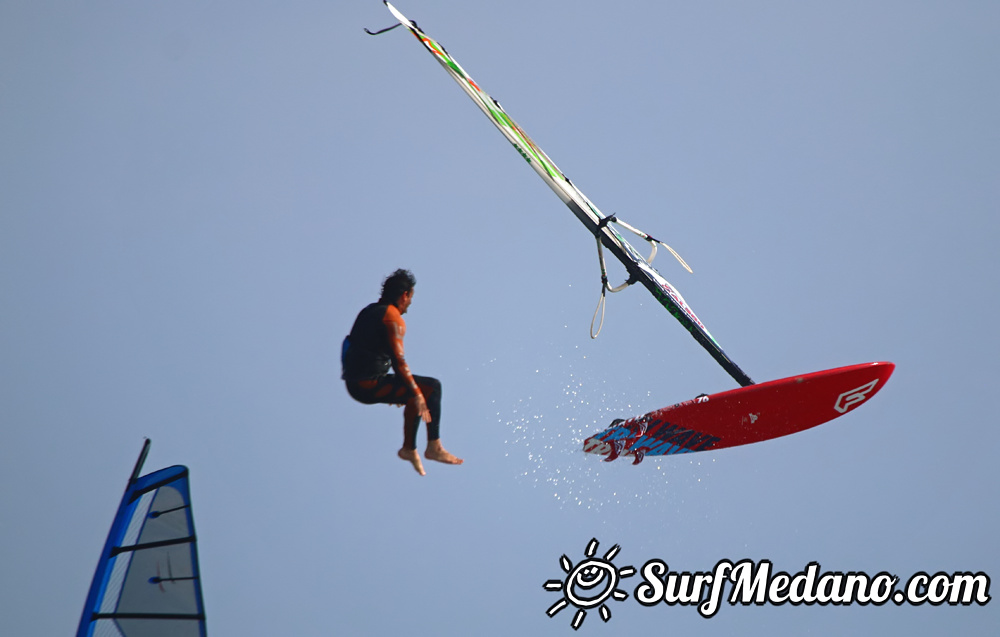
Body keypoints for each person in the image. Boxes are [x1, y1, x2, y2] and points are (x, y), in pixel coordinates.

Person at [342, 269, 463, 475]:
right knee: (430, 388)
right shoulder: (392, 317)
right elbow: (399, 361)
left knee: (414, 392)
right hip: (366, 385)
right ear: (404, 295)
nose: (410, 303)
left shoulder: (369, 310)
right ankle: (433, 447)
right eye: (411, 297)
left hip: (356, 383)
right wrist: (415, 393)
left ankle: (409, 449)